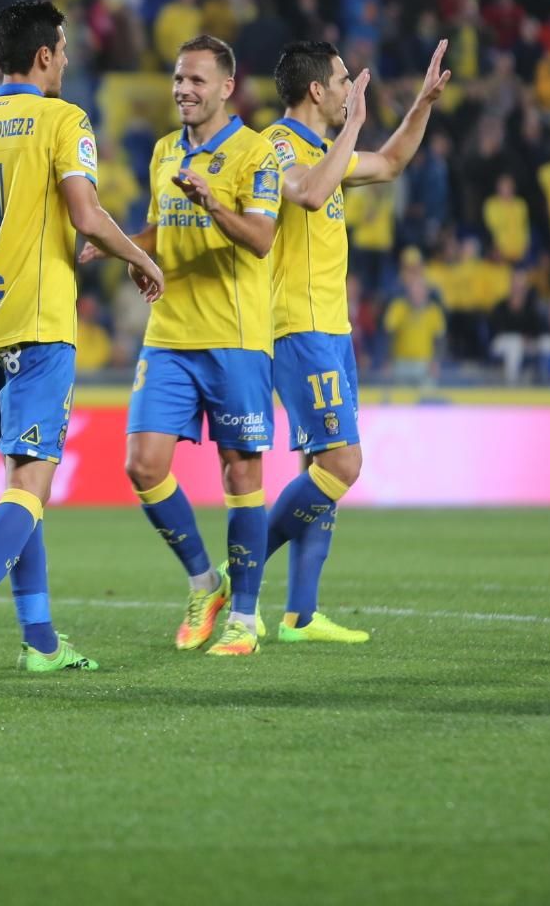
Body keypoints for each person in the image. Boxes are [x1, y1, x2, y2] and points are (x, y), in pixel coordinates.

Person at [0, 0, 163, 677]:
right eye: (64, 47)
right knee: (31, 488)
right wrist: (140, 257)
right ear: (46, 54)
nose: (68, 58)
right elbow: (86, 214)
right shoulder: (63, 119)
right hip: (42, 325)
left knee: (20, 485)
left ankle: (42, 642)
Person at [260, 39, 448, 645]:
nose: (349, 89)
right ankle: (236, 571)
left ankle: (302, 615)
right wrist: (357, 126)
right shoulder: (279, 145)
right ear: (317, 90)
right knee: (343, 463)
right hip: (298, 324)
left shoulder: (323, 148)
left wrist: (420, 105)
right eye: (342, 80)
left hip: (331, 328)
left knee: (320, 465)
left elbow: (391, 164)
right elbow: (310, 191)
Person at [116, 35, 283, 657]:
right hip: (169, 334)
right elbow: (162, 227)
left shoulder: (255, 155)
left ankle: (243, 617)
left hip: (235, 336)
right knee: (142, 465)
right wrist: (129, 248)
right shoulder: (164, 152)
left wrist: (213, 202)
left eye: (196, 81)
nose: (184, 90)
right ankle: (204, 584)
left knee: (240, 471)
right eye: (178, 79)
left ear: (226, 88)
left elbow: (262, 238)